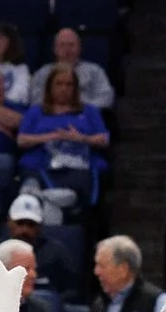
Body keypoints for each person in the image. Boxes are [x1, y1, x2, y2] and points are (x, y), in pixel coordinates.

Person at [21, 62, 113, 211]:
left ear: (75, 88)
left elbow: (103, 139)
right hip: (44, 164)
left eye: (69, 85)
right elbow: (22, 139)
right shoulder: (36, 111)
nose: (64, 89)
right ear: (50, 87)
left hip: (82, 165)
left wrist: (81, 138)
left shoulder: (89, 111)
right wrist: (51, 136)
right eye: (59, 84)